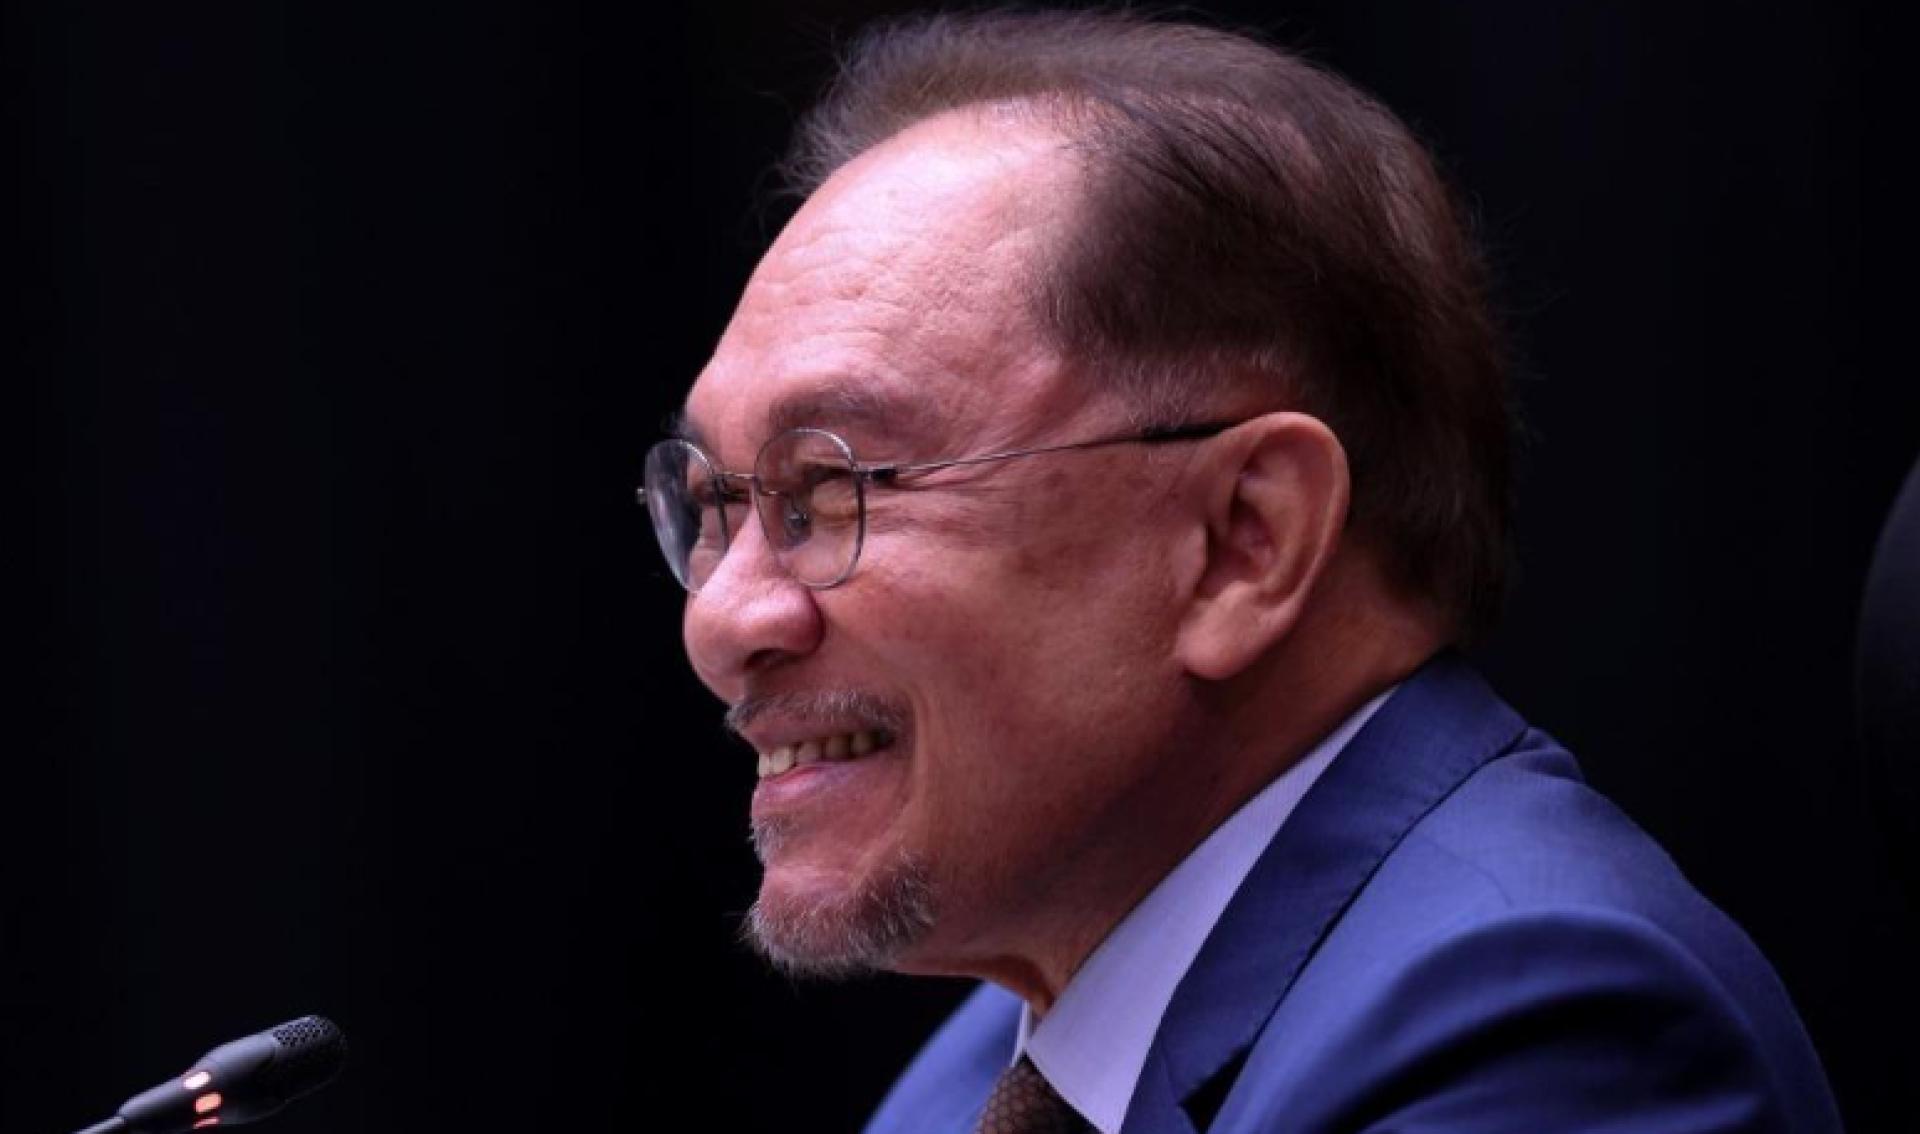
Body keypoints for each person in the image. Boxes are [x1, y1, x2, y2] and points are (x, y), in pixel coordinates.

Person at [639, 10, 1841, 1132]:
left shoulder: (1539, 1032)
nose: (722, 621)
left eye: (828, 488)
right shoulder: (981, 1077)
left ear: (1242, 541)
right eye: (712, 505)